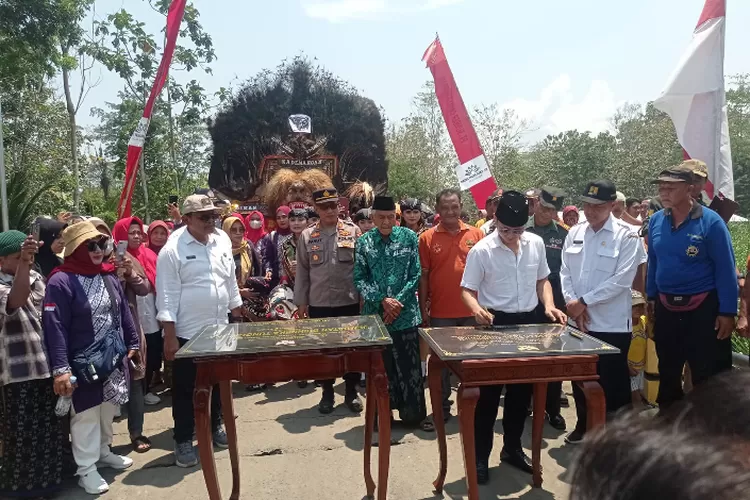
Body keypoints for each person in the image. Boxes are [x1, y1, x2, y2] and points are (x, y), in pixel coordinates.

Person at [460, 191, 566, 482]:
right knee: (489, 396)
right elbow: (467, 290)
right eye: (506, 230)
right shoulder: (481, 250)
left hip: (529, 321)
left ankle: (512, 448)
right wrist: (477, 309)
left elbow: (542, 279)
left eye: (517, 230)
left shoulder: (535, 243)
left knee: (521, 394)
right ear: (495, 219)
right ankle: (480, 456)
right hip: (495, 322)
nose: (511, 236)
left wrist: (549, 305)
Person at [43, 221, 140, 494]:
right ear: (75, 249)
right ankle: (86, 468)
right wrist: (61, 368)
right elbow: (55, 327)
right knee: (85, 415)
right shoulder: (60, 280)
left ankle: (103, 452)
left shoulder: (107, 275)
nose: (99, 251)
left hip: (112, 359)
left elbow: (122, 312)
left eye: (102, 244)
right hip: (82, 363)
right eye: (91, 246)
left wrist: (132, 342)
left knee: (109, 408)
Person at [156, 195, 242, 468]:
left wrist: (236, 312)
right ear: (186, 219)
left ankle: (215, 426)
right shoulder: (172, 250)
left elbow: (230, 280)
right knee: (185, 389)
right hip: (187, 332)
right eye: (203, 217)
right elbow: (166, 296)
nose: (210, 221)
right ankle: (182, 438)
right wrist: (169, 336)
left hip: (220, 327)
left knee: (218, 382)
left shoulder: (222, 241)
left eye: (213, 216)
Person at [646, 165, 738, 409]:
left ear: (690, 190)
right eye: (661, 187)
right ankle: (669, 426)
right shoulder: (656, 221)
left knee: (709, 377)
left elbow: (726, 269)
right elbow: (654, 261)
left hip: (704, 308)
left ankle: (710, 435)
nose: (663, 192)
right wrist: (651, 297)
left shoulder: (711, 222)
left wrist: (728, 312)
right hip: (666, 307)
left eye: (670, 187)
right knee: (667, 369)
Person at [560, 180, 640, 444]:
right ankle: (585, 426)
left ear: (612, 205)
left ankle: (618, 438)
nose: (591, 211)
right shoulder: (575, 233)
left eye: (598, 206)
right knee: (580, 379)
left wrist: (584, 302)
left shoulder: (627, 235)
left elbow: (621, 281)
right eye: (587, 205)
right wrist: (573, 303)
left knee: (613, 382)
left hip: (611, 324)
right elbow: (565, 272)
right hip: (578, 322)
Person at [0, 230, 65, 498]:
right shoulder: (5, 283)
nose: (22, 260)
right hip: (18, 373)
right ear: (2, 261)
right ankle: (19, 490)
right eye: (16, 258)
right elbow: (15, 300)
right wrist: (25, 265)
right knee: (21, 435)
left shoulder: (38, 278)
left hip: (45, 367)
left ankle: (48, 485)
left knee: (49, 431)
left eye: (25, 256)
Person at [355, 196, 425, 426]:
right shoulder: (364, 242)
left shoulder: (409, 237)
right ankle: (381, 417)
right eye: (380, 217)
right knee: (380, 370)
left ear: (396, 218)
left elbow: (415, 274)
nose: (386, 222)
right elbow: (360, 279)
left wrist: (396, 302)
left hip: (405, 315)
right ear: (373, 217)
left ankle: (413, 416)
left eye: (390, 217)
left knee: (409, 368)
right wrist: (382, 301)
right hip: (375, 318)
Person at [418, 188, 484, 427]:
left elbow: (486, 273)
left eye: (454, 206)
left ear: (461, 206)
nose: (449, 211)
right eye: (444, 207)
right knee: (441, 366)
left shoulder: (477, 235)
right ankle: (441, 410)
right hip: (440, 313)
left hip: (472, 313)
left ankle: (474, 408)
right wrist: (423, 308)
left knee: (471, 364)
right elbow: (424, 277)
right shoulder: (426, 238)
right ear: (437, 209)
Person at [294, 188, 363, 414]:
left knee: (351, 350)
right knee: (325, 351)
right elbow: (302, 272)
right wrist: (301, 303)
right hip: (319, 303)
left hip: (349, 301)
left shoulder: (353, 231)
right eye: (324, 207)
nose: (330, 210)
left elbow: (362, 269)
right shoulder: (307, 236)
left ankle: (351, 392)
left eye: (333, 205)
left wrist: (364, 299)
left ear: (339, 206)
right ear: (317, 209)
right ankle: (327, 393)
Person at [112, 217, 158, 453]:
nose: (137, 237)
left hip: (133, 323)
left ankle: (136, 432)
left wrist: (129, 273)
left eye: (139, 233)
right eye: (131, 233)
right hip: (108, 330)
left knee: (137, 379)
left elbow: (144, 288)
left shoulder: (134, 259)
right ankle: (103, 442)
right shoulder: (106, 260)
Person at [525, 187, 570, 430]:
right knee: (526, 355)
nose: (546, 212)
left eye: (552, 209)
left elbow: (568, 270)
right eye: (543, 207)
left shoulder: (564, 235)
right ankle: (526, 405)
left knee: (553, 357)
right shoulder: (520, 228)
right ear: (536, 204)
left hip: (555, 303)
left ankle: (552, 409)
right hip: (524, 302)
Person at [221, 215, 266, 321]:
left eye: (241, 229)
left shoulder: (247, 247)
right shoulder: (220, 250)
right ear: (226, 231)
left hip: (249, 300)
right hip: (227, 302)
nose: (238, 233)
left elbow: (257, 270)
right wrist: (239, 292)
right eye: (234, 230)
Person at [629, 291, 648, 410]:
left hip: (641, 366)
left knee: (641, 392)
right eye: (634, 306)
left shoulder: (643, 321)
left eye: (640, 306)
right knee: (634, 395)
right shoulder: (625, 325)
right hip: (630, 366)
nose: (638, 309)